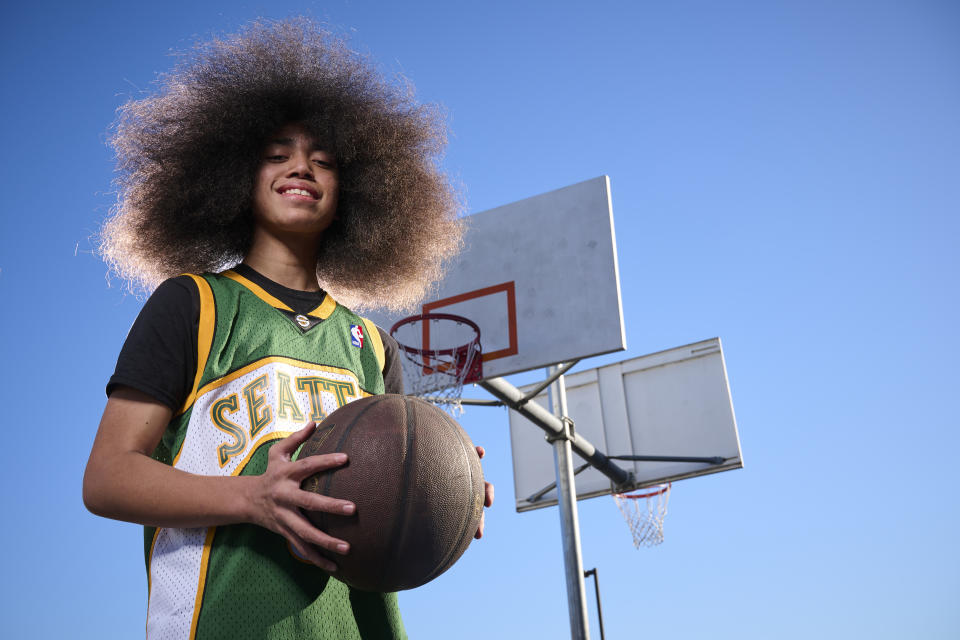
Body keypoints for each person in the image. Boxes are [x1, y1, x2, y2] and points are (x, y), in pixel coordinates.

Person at [83, 18, 493, 639]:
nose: (300, 167)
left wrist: (442, 493)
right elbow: (108, 477)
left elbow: (385, 495)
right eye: (276, 156)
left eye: (323, 161)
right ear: (232, 178)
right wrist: (253, 498)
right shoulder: (194, 304)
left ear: (354, 190)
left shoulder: (371, 346)